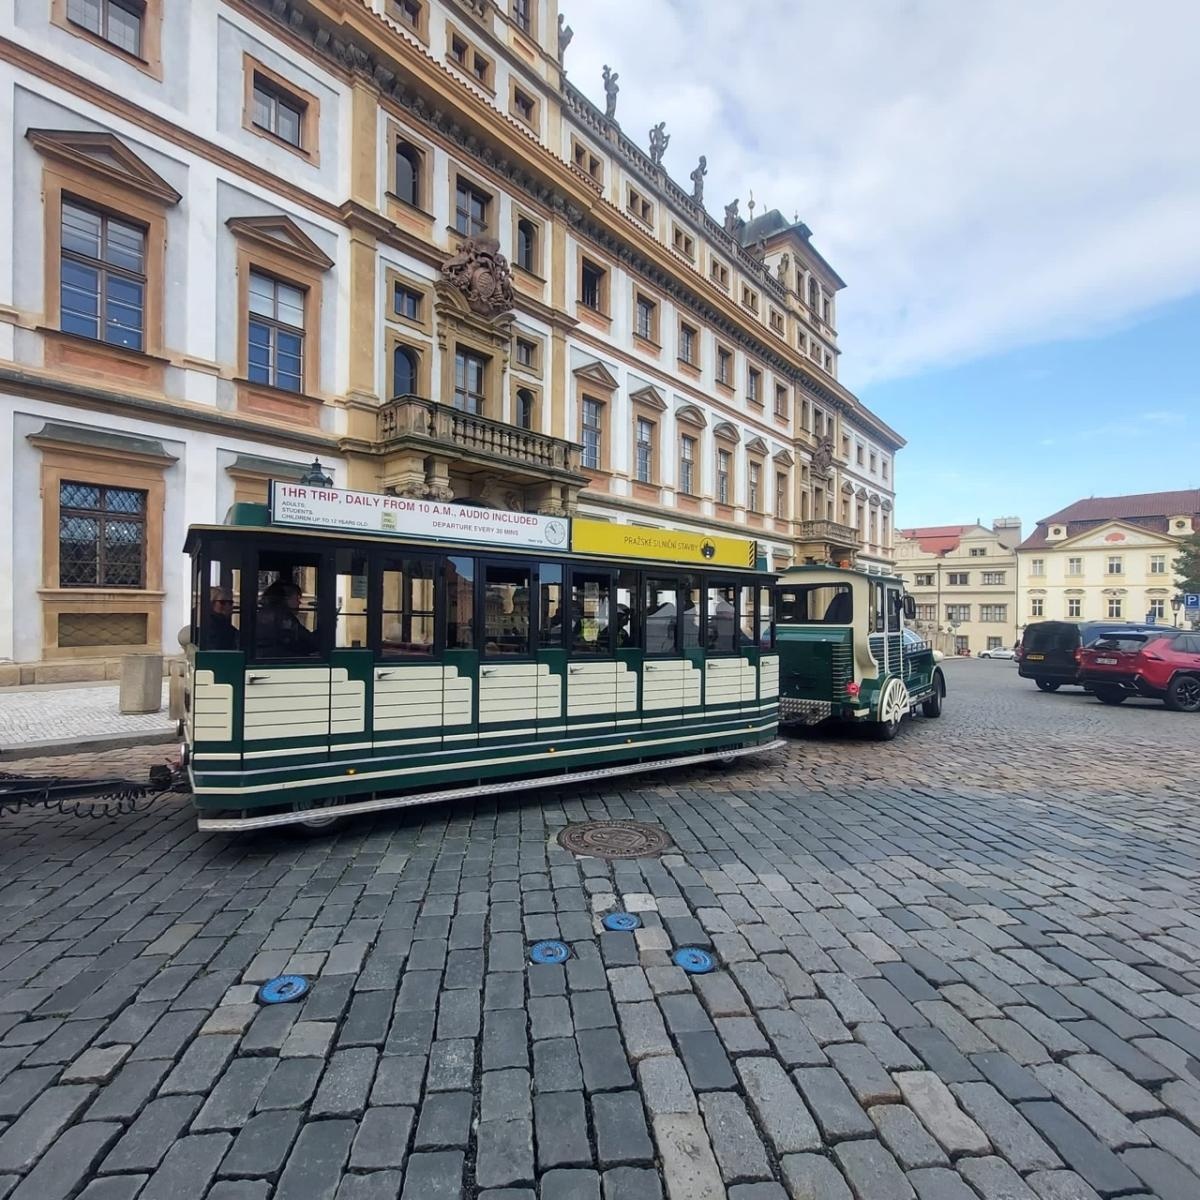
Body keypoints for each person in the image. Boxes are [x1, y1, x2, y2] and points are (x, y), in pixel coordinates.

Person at [256, 580, 319, 658]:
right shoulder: (284, 618)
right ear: (286, 599)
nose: (299, 602)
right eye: (297, 598)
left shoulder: (264, 612)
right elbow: (308, 640)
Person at [208, 586, 238, 650]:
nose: (227, 606)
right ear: (212, 603)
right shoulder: (210, 625)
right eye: (222, 602)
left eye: (230, 603)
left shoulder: (225, 624)